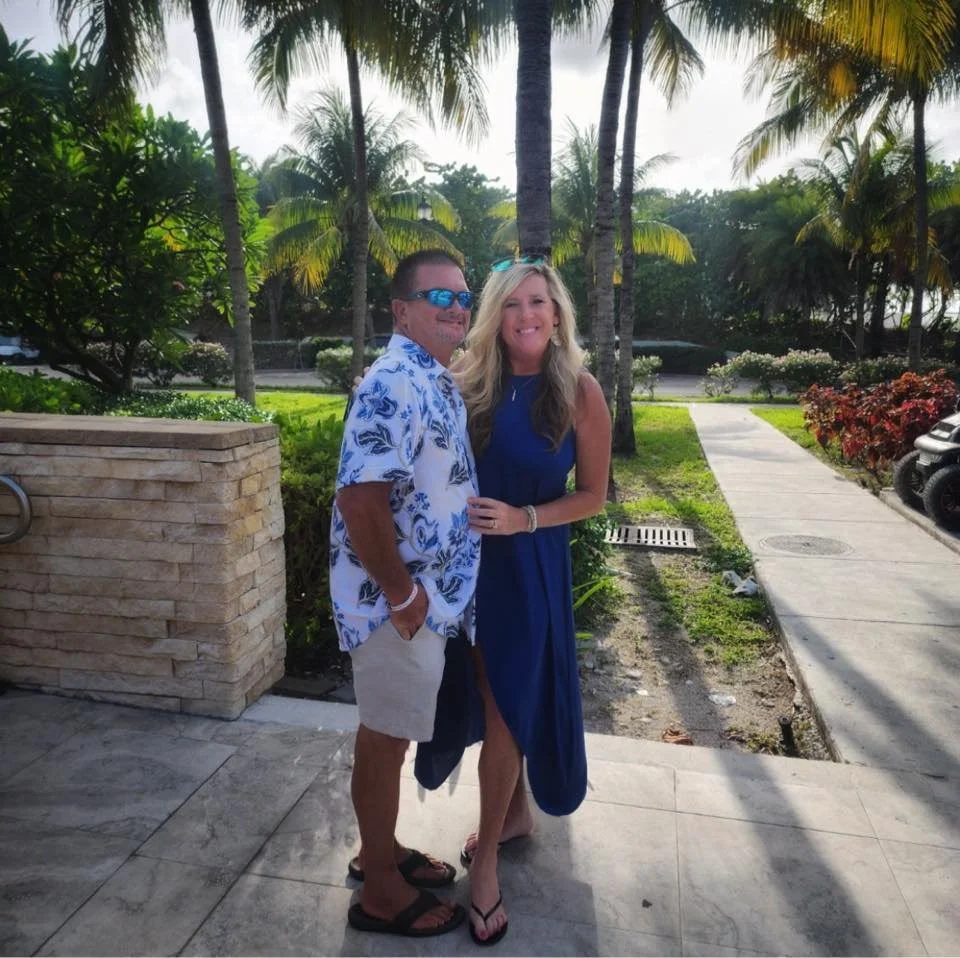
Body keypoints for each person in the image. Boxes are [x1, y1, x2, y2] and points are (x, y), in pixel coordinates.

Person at [447, 259, 611, 945]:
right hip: (468, 570)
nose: (527, 316)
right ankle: (513, 817)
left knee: (508, 705)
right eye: (512, 305)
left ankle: (485, 866)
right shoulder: (466, 383)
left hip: (529, 566)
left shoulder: (579, 391)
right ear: (494, 314)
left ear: (558, 311)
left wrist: (525, 520)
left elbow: (593, 496)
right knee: (492, 696)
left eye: (538, 302)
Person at [330, 249, 481, 938]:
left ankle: (379, 851)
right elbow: (359, 499)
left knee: (387, 738)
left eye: (463, 297)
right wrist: (402, 596)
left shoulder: (433, 375)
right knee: (385, 740)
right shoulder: (394, 380)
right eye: (439, 297)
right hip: (397, 607)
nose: (457, 308)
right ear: (401, 308)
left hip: (421, 602)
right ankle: (382, 893)